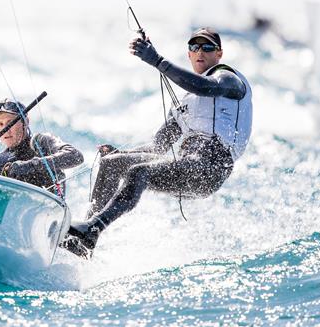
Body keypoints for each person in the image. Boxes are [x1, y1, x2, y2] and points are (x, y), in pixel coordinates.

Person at [67, 27, 253, 255]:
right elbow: (158, 148)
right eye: (194, 47)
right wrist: (122, 155)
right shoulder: (184, 104)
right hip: (187, 163)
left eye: (207, 47)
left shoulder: (229, 79)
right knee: (112, 163)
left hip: (211, 166)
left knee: (139, 172)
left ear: (219, 54)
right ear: (189, 54)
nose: (200, 52)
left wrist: (157, 60)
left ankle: (94, 228)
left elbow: (207, 87)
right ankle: (83, 240)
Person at [0, 98, 84, 196]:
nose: (5, 129)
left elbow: (76, 156)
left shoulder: (40, 142)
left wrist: (30, 165)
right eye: (0, 124)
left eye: (10, 123)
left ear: (26, 122)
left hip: (51, 209)